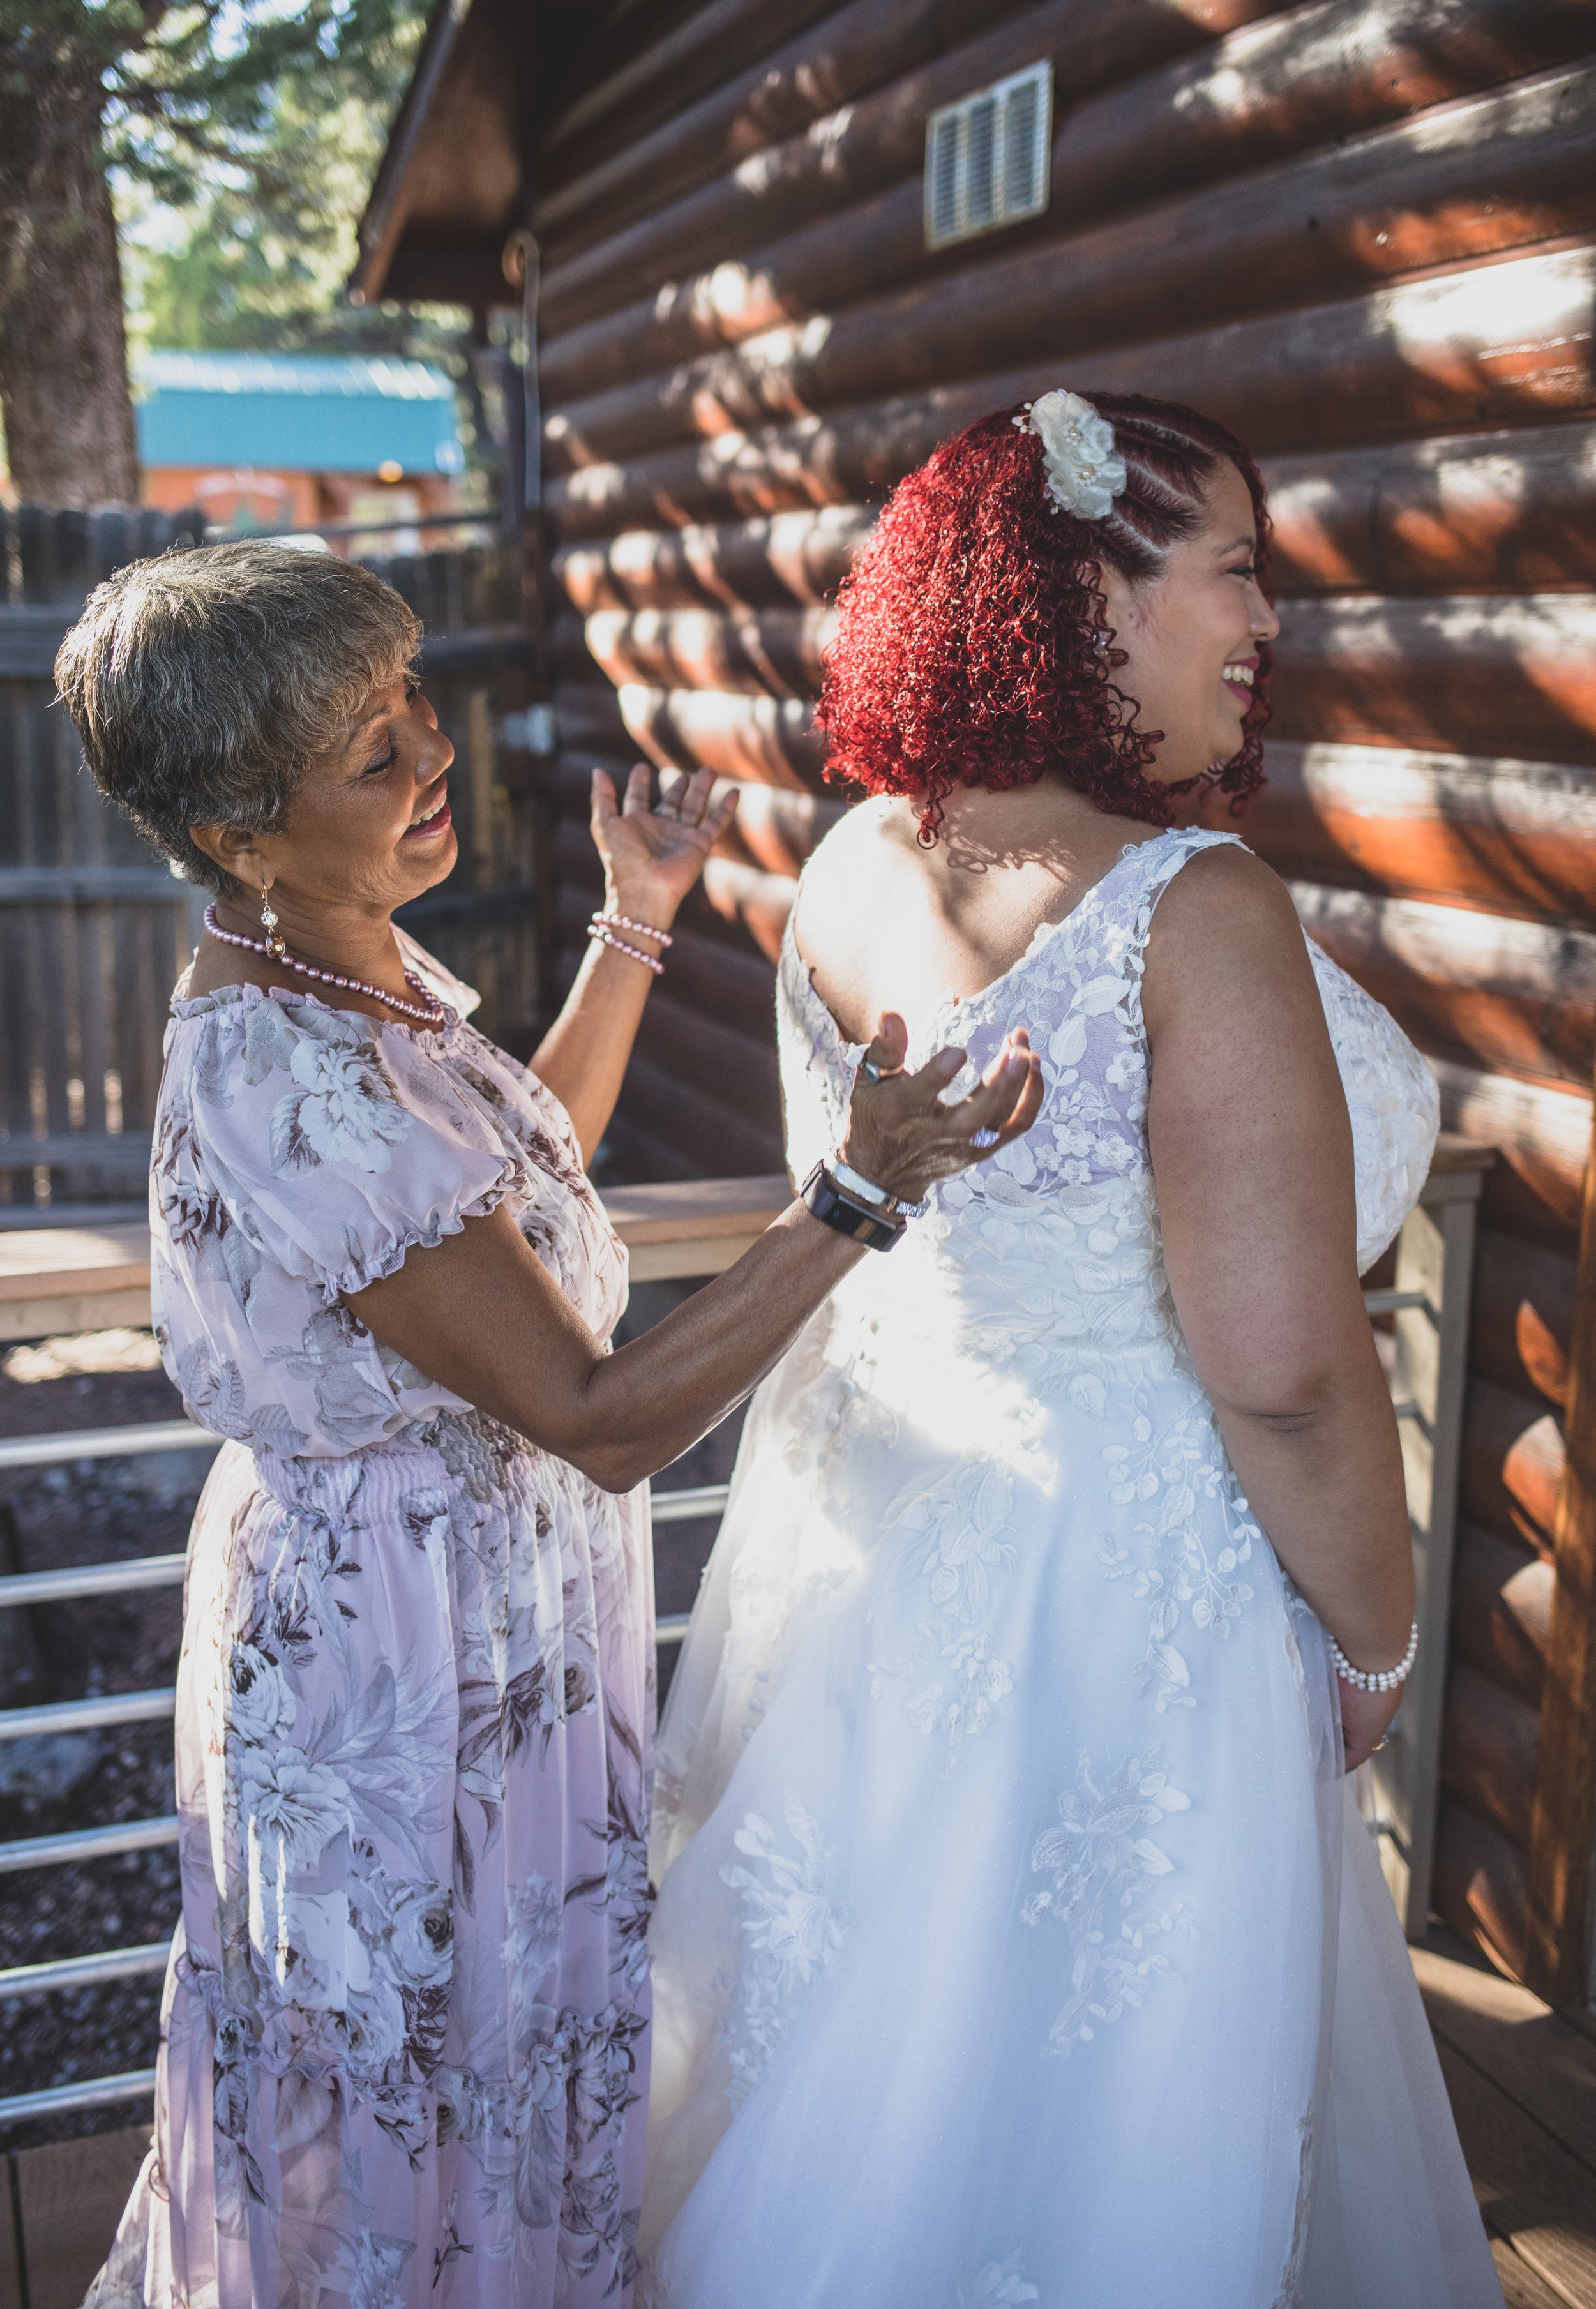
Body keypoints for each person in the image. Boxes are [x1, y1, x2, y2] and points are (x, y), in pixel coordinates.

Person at [56, 539, 1041, 2309]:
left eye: (415, 705)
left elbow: (519, 1189)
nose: (436, 755)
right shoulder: (285, 1070)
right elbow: (596, 1413)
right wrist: (855, 1193)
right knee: (398, 2081)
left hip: (476, 1616)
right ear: (237, 836)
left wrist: (635, 911)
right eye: (373, 753)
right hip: (395, 1659)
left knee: (483, 2058)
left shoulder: (351, 979)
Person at [639, 391, 1503, 2306]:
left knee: (867, 2037)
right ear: (1076, 599)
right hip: (1121, 1591)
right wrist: (1374, 1630)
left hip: (882, 1540)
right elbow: (1278, 1368)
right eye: (1233, 569)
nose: (1267, 614)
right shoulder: (1193, 911)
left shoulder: (857, 856)